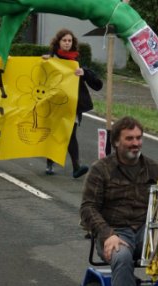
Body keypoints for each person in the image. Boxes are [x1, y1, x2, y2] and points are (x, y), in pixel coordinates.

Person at [80, 116, 158, 286]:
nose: (135, 143)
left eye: (138, 138)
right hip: (115, 232)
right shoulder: (100, 170)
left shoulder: (154, 169)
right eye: (129, 139)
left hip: (146, 233)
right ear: (116, 141)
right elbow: (88, 208)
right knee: (122, 257)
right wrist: (107, 235)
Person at [43, 29, 102, 178]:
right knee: (54, 132)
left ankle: (76, 166)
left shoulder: (77, 60)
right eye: (64, 40)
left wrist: (84, 72)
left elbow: (97, 83)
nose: (67, 43)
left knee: (70, 134)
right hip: (54, 103)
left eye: (69, 41)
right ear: (58, 42)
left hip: (72, 105)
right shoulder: (51, 58)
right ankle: (50, 162)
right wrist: (42, 62)